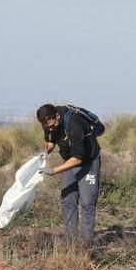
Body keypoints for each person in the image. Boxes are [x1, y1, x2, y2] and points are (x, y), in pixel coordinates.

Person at [36, 103, 103, 244]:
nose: (50, 128)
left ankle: (86, 244)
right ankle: (70, 242)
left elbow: (78, 158)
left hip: (87, 162)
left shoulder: (74, 125)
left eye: (52, 125)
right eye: (47, 127)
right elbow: (50, 141)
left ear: (57, 116)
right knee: (68, 200)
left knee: (87, 203)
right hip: (69, 160)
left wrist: (53, 170)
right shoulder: (48, 123)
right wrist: (45, 152)